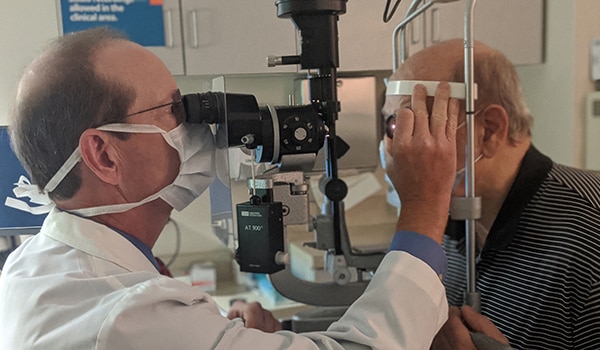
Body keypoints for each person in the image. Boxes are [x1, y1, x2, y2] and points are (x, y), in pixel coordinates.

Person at [0, 27, 464, 349]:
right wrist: (424, 203)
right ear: (104, 155)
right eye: (175, 110)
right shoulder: (127, 318)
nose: (202, 126)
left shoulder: (31, 270)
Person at [382, 38, 600, 349]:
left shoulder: (590, 234)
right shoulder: (448, 223)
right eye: (393, 126)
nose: (397, 147)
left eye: (413, 125)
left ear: (490, 130)